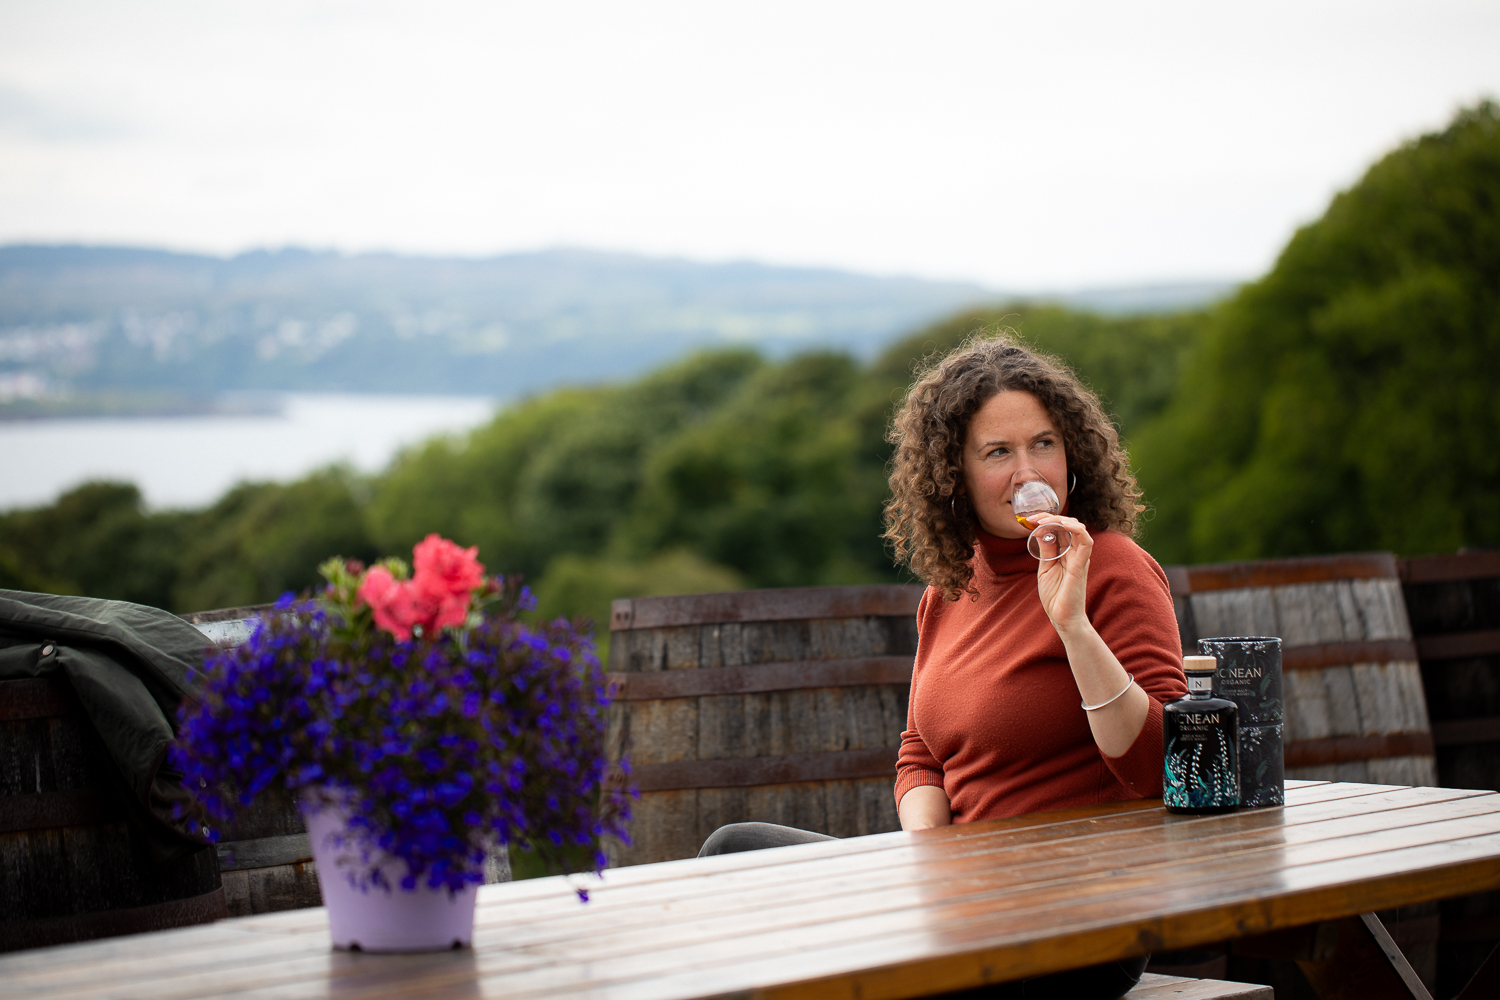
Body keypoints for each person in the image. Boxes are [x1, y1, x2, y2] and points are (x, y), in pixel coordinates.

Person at [698, 336, 1187, 999]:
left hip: (1078, 914)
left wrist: (1073, 626)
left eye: (1044, 444)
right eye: (997, 452)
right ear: (955, 475)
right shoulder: (949, 591)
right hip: (961, 898)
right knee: (733, 856)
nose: (1027, 471)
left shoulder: (1114, 566)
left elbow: (1161, 768)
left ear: (1073, 454)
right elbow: (920, 755)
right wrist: (927, 857)